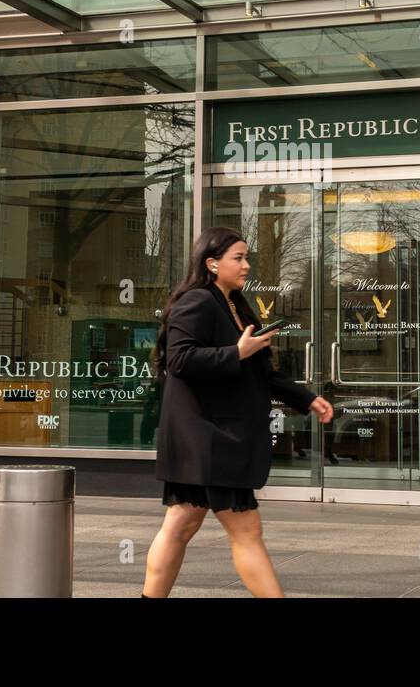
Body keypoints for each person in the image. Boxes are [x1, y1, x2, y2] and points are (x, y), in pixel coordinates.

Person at [142, 227, 333, 598]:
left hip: (213, 437)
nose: (247, 265)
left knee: (180, 525)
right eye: (238, 258)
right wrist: (237, 353)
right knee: (245, 531)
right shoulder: (197, 301)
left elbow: (261, 370)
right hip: (208, 437)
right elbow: (179, 361)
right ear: (212, 263)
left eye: (247, 257)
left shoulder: (236, 305)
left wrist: (306, 398)